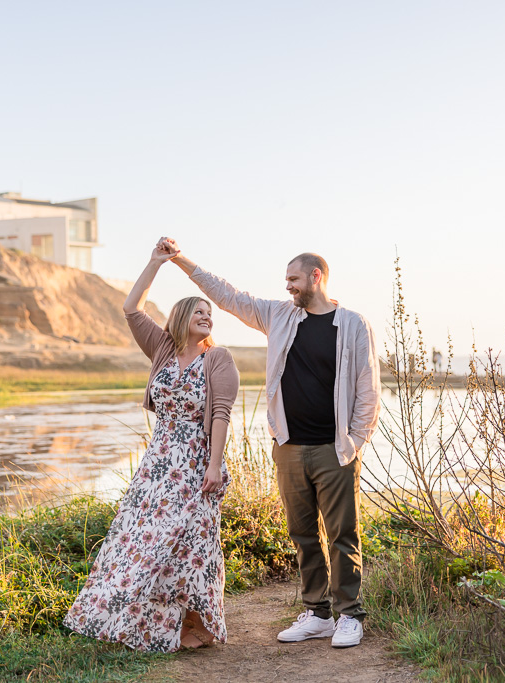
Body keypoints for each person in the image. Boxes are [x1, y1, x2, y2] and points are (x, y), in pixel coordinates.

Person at [157, 236, 381, 648]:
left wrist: (353, 442)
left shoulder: (351, 323)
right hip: (289, 447)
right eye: (286, 280)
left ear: (316, 277)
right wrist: (181, 261)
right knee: (302, 533)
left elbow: (368, 388)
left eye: (294, 279)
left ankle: (349, 615)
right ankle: (317, 614)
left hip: (335, 450)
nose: (288, 286)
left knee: (342, 533)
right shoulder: (279, 316)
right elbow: (228, 295)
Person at [63, 244, 240, 652]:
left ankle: (199, 622)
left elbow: (220, 416)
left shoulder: (219, 359)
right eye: (198, 311)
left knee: (192, 543)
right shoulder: (161, 349)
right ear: (180, 317)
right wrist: (156, 263)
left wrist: (214, 466)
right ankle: (146, 619)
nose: (206, 316)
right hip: (158, 465)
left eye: (209, 313)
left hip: (197, 463)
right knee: (141, 540)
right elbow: (130, 307)